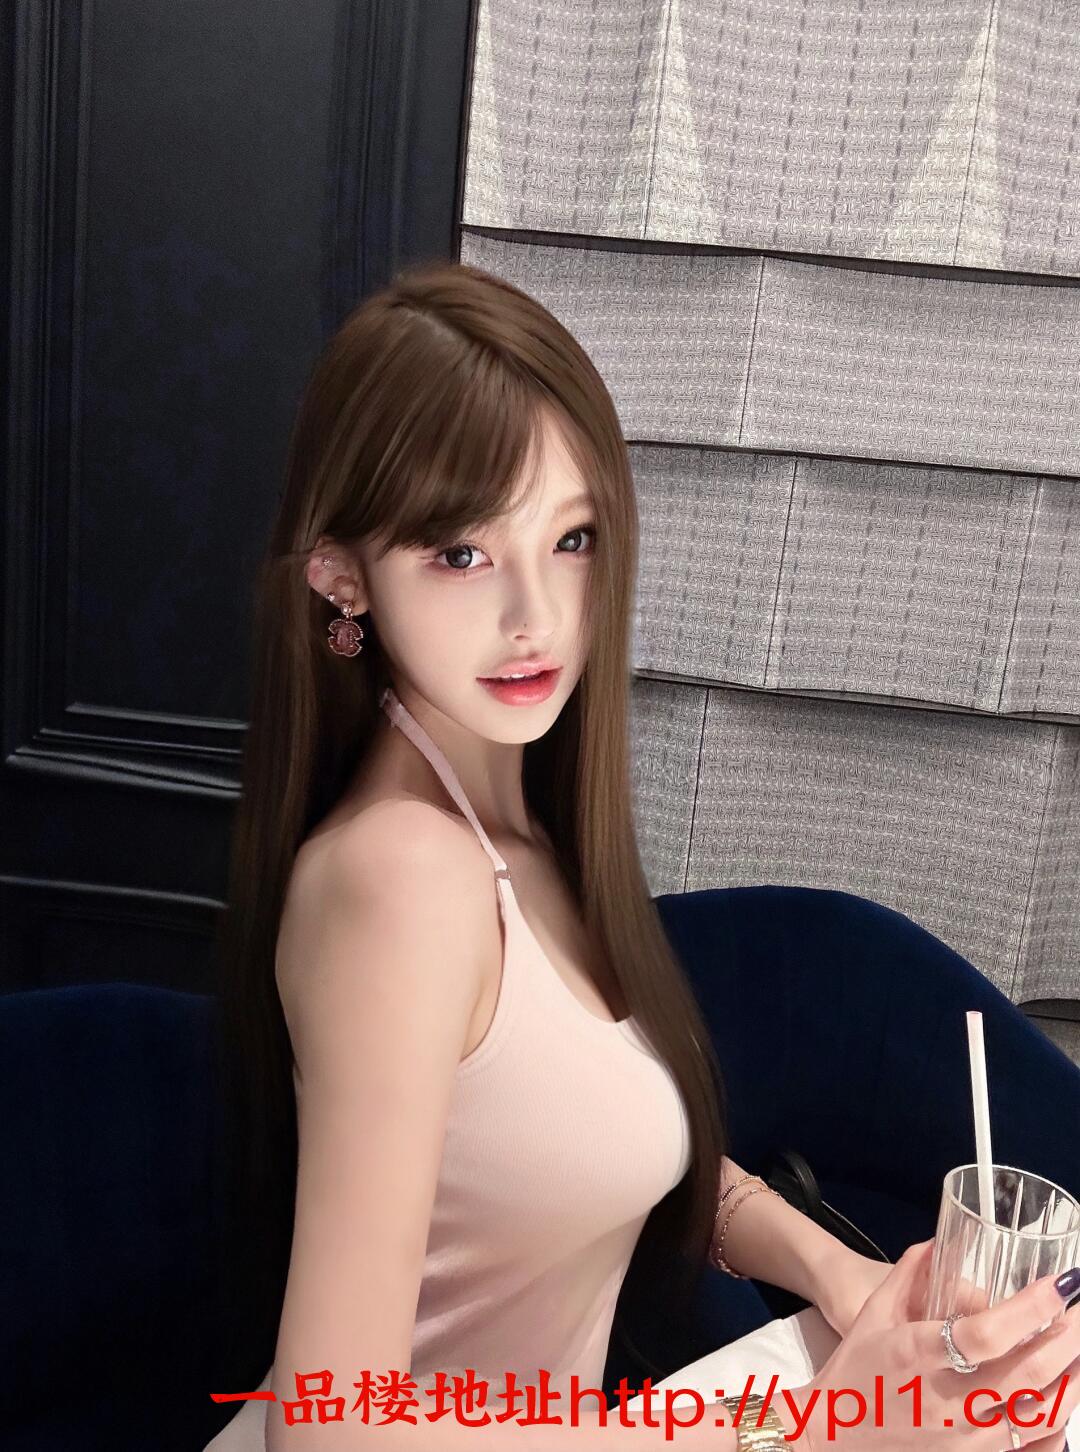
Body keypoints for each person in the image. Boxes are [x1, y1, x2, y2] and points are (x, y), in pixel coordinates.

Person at [203, 260, 1080, 1452]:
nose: (536, 615)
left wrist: (839, 1272)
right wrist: (810, 1430)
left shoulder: (525, 836)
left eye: (569, 538)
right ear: (342, 577)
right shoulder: (400, 881)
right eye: (460, 553)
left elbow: (611, 1139)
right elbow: (331, 1428)